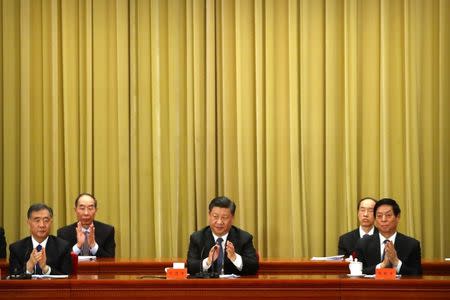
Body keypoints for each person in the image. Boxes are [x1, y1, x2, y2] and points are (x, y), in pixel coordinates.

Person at [187, 196, 259, 276]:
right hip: (207, 287)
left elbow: (254, 267)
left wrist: (235, 258)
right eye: (215, 216)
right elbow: (190, 267)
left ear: (232, 218)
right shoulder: (197, 238)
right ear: (209, 215)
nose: (219, 222)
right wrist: (208, 261)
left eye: (224, 218)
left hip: (234, 287)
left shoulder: (244, 238)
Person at [354, 198, 422, 275]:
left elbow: (417, 274)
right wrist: (382, 265)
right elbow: (358, 273)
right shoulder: (363, 244)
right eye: (379, 216)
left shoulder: (411, 244)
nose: (383, 219)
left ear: (398, 217)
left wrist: (396, 262)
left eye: (388, 215)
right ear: (375, 219)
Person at [9, 203, 72, 275]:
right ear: (29, 222)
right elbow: (12, 277)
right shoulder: (16, 248)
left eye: (46, 220)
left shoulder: (63, 247)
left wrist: (45, 268)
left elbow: (67, 276)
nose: (42, 225)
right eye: (37, 220)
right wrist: (29, 267)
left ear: (51, 222)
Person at [57, 193, 115, 257]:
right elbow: (61, 260)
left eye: (90, 208)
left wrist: (94, 246)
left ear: (96, 210)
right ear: (75, 210)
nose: (86, 213)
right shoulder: (64, 233)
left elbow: (110, 260)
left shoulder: (107, 231)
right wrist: (78, 246)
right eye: (82, 208)